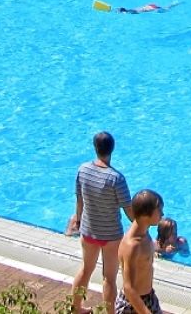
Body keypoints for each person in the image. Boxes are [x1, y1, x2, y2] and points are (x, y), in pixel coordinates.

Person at [67, 131, 133, 314]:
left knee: (86, 269)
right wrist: (140, 225)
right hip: (111, 235)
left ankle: (76, 308)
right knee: (109, 278)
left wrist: (79, 220)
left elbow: (79, 200)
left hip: (88, 231)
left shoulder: (83, 169)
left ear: (95, 148)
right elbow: (128, 209)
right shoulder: (116, 178)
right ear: (112, 148)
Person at [115, 189, 164, 314]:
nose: (162, 214)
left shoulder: (144, 233)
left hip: (149, 297)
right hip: (131, 304)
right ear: (146, 215)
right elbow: (128, 287)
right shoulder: (132, 245)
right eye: (159, 211)